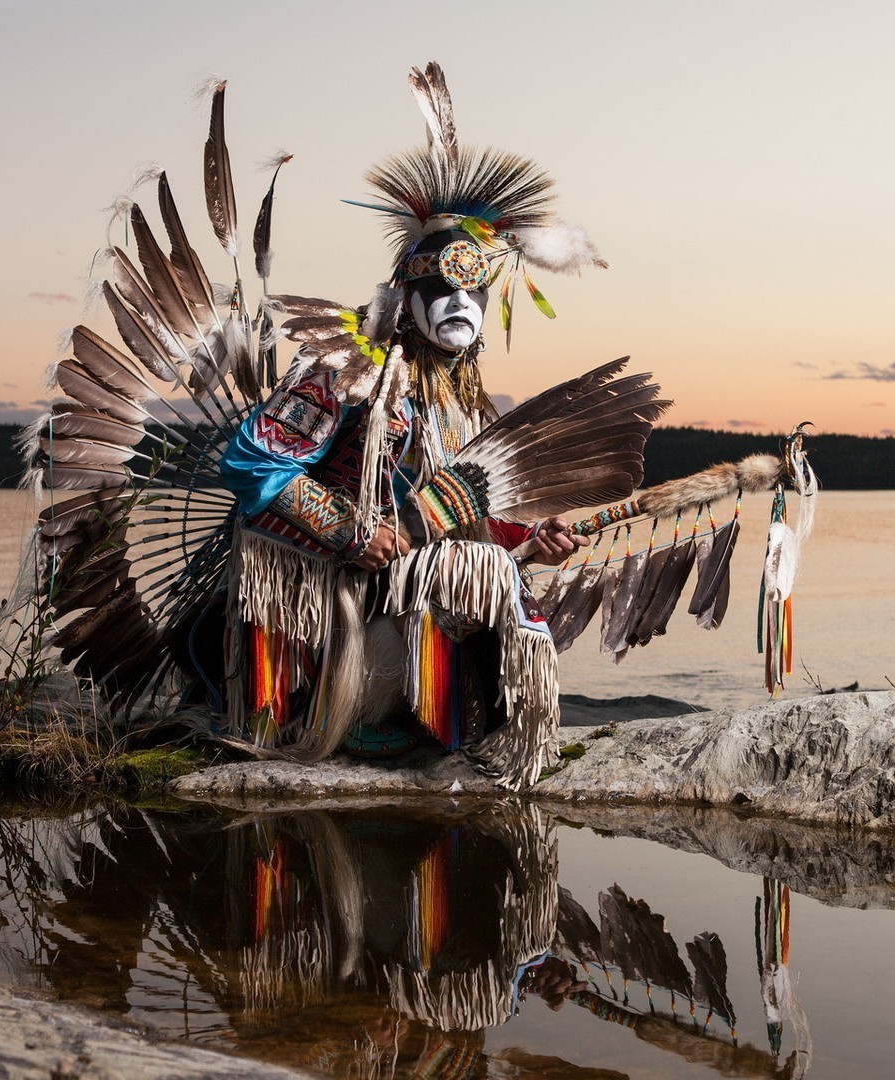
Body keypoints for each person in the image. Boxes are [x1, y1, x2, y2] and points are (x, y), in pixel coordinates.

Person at [208, 71, 610, 784]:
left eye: (474, 293)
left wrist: (532, 538)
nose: (460, 305)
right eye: (440, 291)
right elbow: (248, 463)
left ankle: (449, 720)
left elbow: (455, 512)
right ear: (406, 295)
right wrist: (349, 530)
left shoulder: (459, 406)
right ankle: (351, 714)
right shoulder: (348, 370)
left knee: (487, 559)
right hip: (326, 622)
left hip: (393, 602)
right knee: (476, 571)